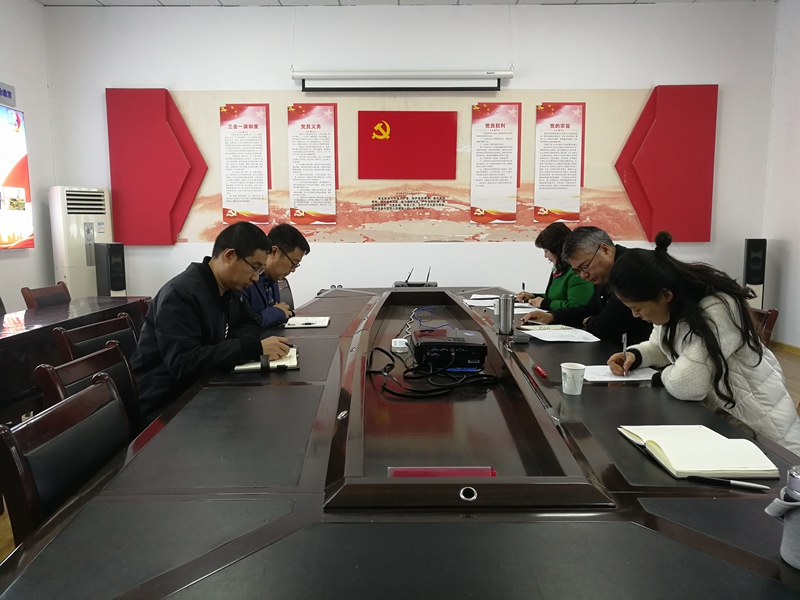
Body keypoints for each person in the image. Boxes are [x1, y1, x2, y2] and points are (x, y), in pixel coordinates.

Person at [606, 231, 800, 454]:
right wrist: (634, 355)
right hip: (722, 421)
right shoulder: (672, 307)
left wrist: (662, 375)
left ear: (664, 296)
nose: (635, 316)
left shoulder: (718, 308)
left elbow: (688, 386)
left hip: (766, 437)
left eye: (637, 308)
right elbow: (660, 347)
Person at [130, 222, 291, 420]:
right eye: (254, 268)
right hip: (167, 402)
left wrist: (226, 348)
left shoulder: (230, 289)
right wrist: (249, 349)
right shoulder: (180, 295)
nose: (256, 278)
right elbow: (184, 363)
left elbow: (251, 324)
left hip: (205, 384)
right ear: (229, 256)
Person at [521, 226, 652, 344]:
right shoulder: (603, 274)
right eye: (577, 271)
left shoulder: (631, 269)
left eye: (585, 266)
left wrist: (588, 321)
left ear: (605, 250)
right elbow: (590, 308)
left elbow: (607, 326)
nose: (584, 276)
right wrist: (553, 316)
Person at [241, 223, 310, 329]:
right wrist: (276, 312)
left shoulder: (273, 279)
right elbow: (245, 326)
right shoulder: (245, 280)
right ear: (274, 251)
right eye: (293, 263)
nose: (293, 270)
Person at [516, 222, 594, 311]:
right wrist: (534, 297)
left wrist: (544, 303)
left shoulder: (577, 273)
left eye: (546, 251)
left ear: (557, 250)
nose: (545, 256)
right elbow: (555, 297)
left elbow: (576, 306)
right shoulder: (559, 270)